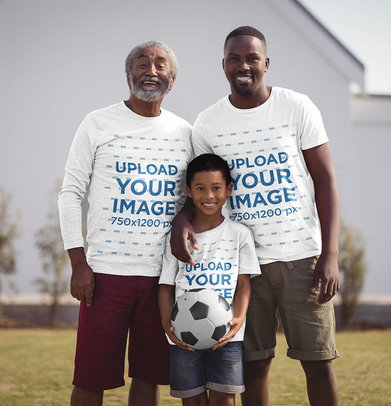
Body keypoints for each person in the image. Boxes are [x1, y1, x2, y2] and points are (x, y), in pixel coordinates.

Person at [170, 26, 340, 406]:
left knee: (318, 362)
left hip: (303, 259)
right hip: (245, 266)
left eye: (251, 58)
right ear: (224, 65)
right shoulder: (208, 123)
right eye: (234, 58)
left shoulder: (296, 107)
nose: (243, 65)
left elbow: (326, 181)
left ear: (266, 63)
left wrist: (330, 255)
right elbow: (201, 188)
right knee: (253, 366)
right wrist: (182, 219)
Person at [58, 41, 193, 406]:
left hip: (161, 277)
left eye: (160, 65)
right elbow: (70, 193)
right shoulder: (98, 123)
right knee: (90, 378)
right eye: (142, 63)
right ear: (128, 73)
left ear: (172, 79)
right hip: (103, 276)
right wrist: (78, 263)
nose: (151, 70)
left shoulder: (185, 133)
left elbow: (193, 201)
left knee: (149, 377)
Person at [159, 153, 261, 406]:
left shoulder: (240, 235)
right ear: (189, 192)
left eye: (216, 188)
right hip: (183, 335)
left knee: (225, 398)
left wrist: (238, 320)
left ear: (228, 190)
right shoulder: (177, 239)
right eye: (200, 189)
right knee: (191, 399)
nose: (209, 196)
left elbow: (243, 283)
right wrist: (166, 325)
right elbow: (165, 286)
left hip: (227, 336)